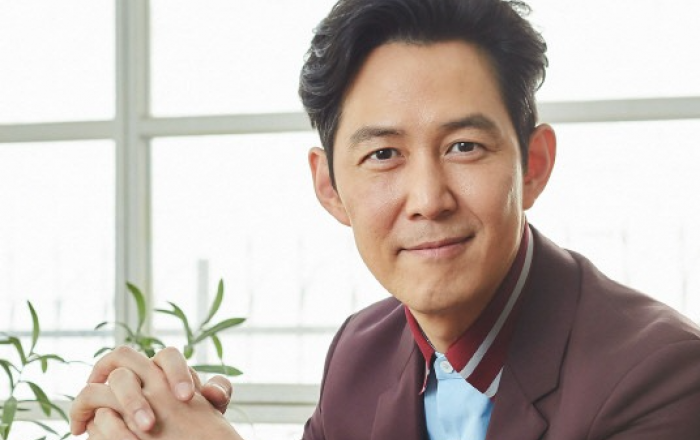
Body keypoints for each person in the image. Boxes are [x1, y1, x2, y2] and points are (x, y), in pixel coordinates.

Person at [69, 0, 700, 438]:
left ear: (533, 166)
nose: (428, 198)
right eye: (383, 155)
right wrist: (158, 416)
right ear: (330, 187)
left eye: (464, 146)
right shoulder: (360, 352)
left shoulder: (664, 376)